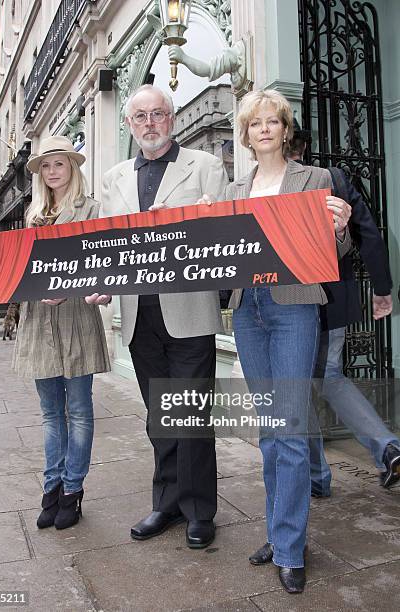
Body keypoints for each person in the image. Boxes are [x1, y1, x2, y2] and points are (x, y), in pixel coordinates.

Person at [87, 84, 228, 549]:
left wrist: (195, 216)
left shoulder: (205, 167)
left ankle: (199, 511)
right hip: (137, 315)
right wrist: (102, 281)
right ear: (130, 124)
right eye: (140, 116)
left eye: (158, 114)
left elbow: (222, 234)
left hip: (189, 312)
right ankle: (166, 503)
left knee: (188, 415)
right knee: (159, 418)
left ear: (170, 119)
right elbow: (108, 243)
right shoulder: (114, 178)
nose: (150, 122)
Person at [226, 89, 352, 593]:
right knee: (271, 429)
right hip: (248, 312)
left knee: (293, 428)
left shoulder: (315, 179)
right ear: (247, 133)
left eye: (272, 122)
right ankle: (280, 534)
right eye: (255, 123)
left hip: (295, 307)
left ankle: (291, 549)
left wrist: (340, 228)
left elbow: (334, 249)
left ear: (285, 129)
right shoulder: (236, 190)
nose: (264, 130)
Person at [0, 136, 110, 530]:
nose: (53, 172)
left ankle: (72, 490)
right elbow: (18, 275)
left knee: (80, 411)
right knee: (51, 413)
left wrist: (73, 288)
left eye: (60, 164)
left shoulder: (92, 210)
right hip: (38, 322)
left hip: (76, 321)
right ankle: (50, 488)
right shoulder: (33, 215)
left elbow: (102, 267)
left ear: (72, 167)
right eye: (46, 166)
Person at [288, 124, 399, 494]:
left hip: (296, 305)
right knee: (328, 377)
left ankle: (317, 477)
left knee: (300, 386)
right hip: (333, 299)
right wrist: (381, 289)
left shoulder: (270, 186)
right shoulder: (333, 179)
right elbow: (369, 232)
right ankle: (388, 447)